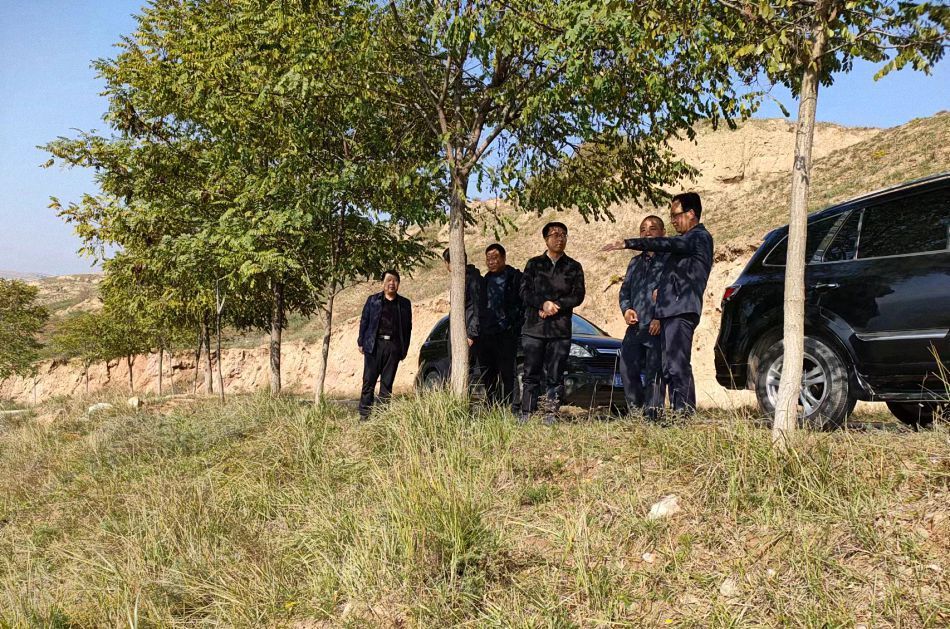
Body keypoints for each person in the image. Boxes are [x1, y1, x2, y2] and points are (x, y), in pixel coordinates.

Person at [602, 192, 713, 415]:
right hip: (670, 311)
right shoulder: (683, 245)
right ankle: (674, 413)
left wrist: (627, 243)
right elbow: (677, 275)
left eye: (676, 215)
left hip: (680, 310)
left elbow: (666, 244)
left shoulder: (697, 237)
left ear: (691, 213)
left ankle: (683, 414)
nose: (673, 221)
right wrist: (661, 291)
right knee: (669, 366)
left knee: (676, 365)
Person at [520, 222, 585, 423]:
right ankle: (527, 413)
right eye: (555, 235)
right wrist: (542, 303)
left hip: (560, 330)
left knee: (555, 374)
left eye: (563, 235)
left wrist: (556, 305)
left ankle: (550, 414)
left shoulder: (573, 266)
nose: (560, 238)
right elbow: (524, 291)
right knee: (531, 373)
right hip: (534, 329)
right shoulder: (533, 264)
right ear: (545, 239)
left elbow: (578, 295)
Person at [618, 215, 668, 420]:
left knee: (654, 375)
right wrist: (626, 309)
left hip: (657, 327)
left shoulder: (670, 260)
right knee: (626, 368)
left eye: (652, 228)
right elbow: (625, 290)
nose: (647, 233)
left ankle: (653, 416)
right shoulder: (635, 262)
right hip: (635, 328)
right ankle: (636, 414)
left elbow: (672, 292)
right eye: (643, 229)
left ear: (663, 233)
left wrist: (660, 317)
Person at [357, 270, 412, 420]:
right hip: (374, 346)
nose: (391, 283)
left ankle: (382, 418)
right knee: (368, 382)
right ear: (383, 283)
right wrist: (361, 341)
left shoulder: (404, 304)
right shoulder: (373, 300)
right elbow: (364, 321)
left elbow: (408, 328)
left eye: (395, 280)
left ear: (398, 284)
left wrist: (404, 349)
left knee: (387, 384)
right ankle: (364, 416)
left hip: (393, 347)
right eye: (388, 280)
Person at [479, 243, 524, 409]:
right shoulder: (484, 281)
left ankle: (510, 407)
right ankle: (492, 406)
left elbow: (522, 304)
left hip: (506, 334)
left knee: (508, 372)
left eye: (495, 257)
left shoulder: (515, 277)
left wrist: (513, 325)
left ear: (504, 258)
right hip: (487, 335)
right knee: (488, 373)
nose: (491, 261)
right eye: (488, 259)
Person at [442, 248, 482, 374]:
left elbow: (477, 308)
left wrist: (471, 334)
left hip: (468, 335)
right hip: (458, 332)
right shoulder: (458, 280)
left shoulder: (472, 279)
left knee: (468, 372)